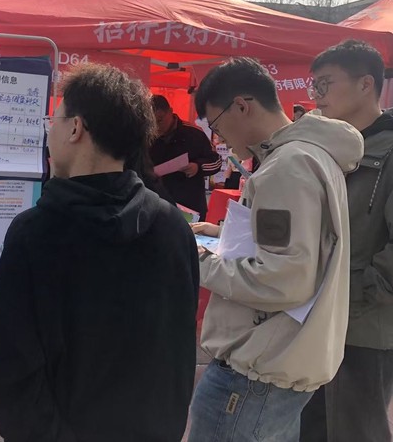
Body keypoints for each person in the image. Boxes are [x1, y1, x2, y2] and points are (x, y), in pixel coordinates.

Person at [0, 63, 199, 442]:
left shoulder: (35, 234)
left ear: (75, 128)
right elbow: (180, 356)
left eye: (53, 120)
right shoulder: (172, 225)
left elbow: (12, 374)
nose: (49, 132)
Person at [188, 57, 363, 441]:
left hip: (255, 372)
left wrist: (198, 261)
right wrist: (222, 233)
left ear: (241, 106)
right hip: (277, 366)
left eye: (216, 125)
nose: (219, 139)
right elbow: (300, 247)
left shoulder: (286, 166)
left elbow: (283, 278)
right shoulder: (312, 155)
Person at [300, 40, 393, 441]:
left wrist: (358, 292)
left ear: (365, 84)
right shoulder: (327, 148)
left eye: (326, 84)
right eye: (314, 86)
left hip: (365, 325)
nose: (317, 95)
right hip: (315, 316)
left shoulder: (388, 150)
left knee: (356, 430)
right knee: (310, 427)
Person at [149, 94, 222, 220]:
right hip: (156, 202)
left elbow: (216, 161)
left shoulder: (194, 133)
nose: (156, 126)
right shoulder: (146, 135)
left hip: (189, 204)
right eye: (152, 121)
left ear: (170, 112)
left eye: (160, 120)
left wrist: (197, 167)